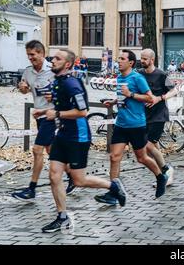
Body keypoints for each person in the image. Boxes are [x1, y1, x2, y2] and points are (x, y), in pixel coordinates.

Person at [38, 49, 126, 233]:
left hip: (78, 137)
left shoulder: (72, 84)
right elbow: (61, 102)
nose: (52, 60)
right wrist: (47, 109)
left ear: (67, 64)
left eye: (57, 58)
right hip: (62, 134)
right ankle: (62, 217)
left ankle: (113, 186)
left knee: (79, 180)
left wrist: (57, 113)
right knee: (54, 175)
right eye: (53, 57)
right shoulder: (59, 81)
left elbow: (82, 111)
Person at [94, 50, 168, 205]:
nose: (118, 61)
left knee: (141, 158)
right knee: (114, 157)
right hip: (121, 124)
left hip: (136, 125)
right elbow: (122, 97)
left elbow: (149, 97)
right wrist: (114, 102)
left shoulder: (137, 78)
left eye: (122, 59)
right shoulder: (120, 77)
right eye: (118, 58)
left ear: (131, 63)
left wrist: (131, 95)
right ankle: (113, 193)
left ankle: (161, 176)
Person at [12, 40, 75, 201]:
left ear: (42, 53)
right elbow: (24, 90)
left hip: (53, 115)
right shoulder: (27, 72)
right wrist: (22, 88)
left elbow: (68, 90)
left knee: (37, 150)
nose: (30, 58)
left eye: (33, 55)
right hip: (40, 116)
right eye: (28, 55)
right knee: (51, 151)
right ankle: (74, 176)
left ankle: (31, 189)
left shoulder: (54, 70)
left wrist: (55, 96)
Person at [139, 49, 179, 187]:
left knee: (148, 145)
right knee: (154, 149)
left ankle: (166, 170)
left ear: (152, 60)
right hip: (145, 115)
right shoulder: (139, 74)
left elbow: (174, 90)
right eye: (141, 58)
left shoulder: (161, 74)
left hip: (159, 115)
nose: (142, 61)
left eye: (145, 59)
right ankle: (164, 175)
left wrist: (160, 98)